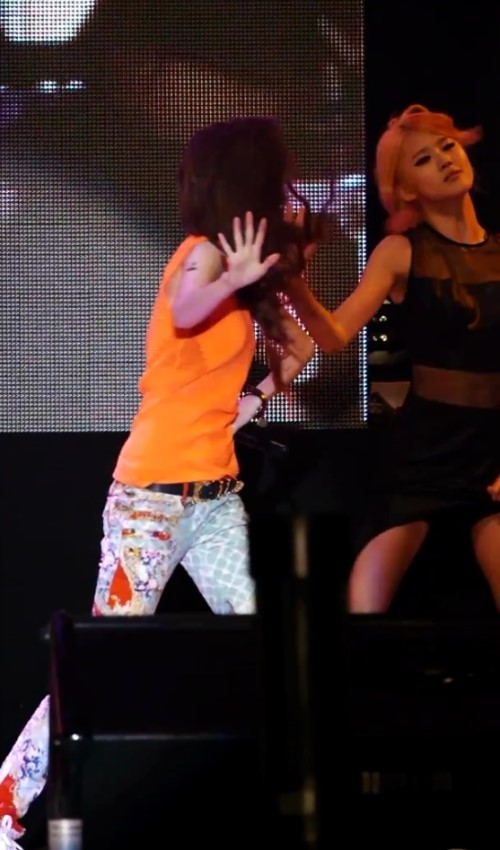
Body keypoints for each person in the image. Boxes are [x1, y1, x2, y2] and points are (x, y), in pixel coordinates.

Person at [0, 116, 345, 849]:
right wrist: (241, 278)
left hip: (217, 500)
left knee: (275, 644)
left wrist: (256, 387)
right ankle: (5, 802)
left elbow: (311, 348)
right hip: (150, 502)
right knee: (99, 663)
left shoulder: (244, 281)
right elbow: (188, 308)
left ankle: (295, 804)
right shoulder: (200, 256)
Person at [291, 103, 500, 613]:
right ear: (405, 189)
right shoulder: (400, 252)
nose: (445, 159)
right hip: (424, 449)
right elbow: (335, 335)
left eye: (447, 146)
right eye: (423, 159)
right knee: (364, 612)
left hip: (492, 447)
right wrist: (293, 281)